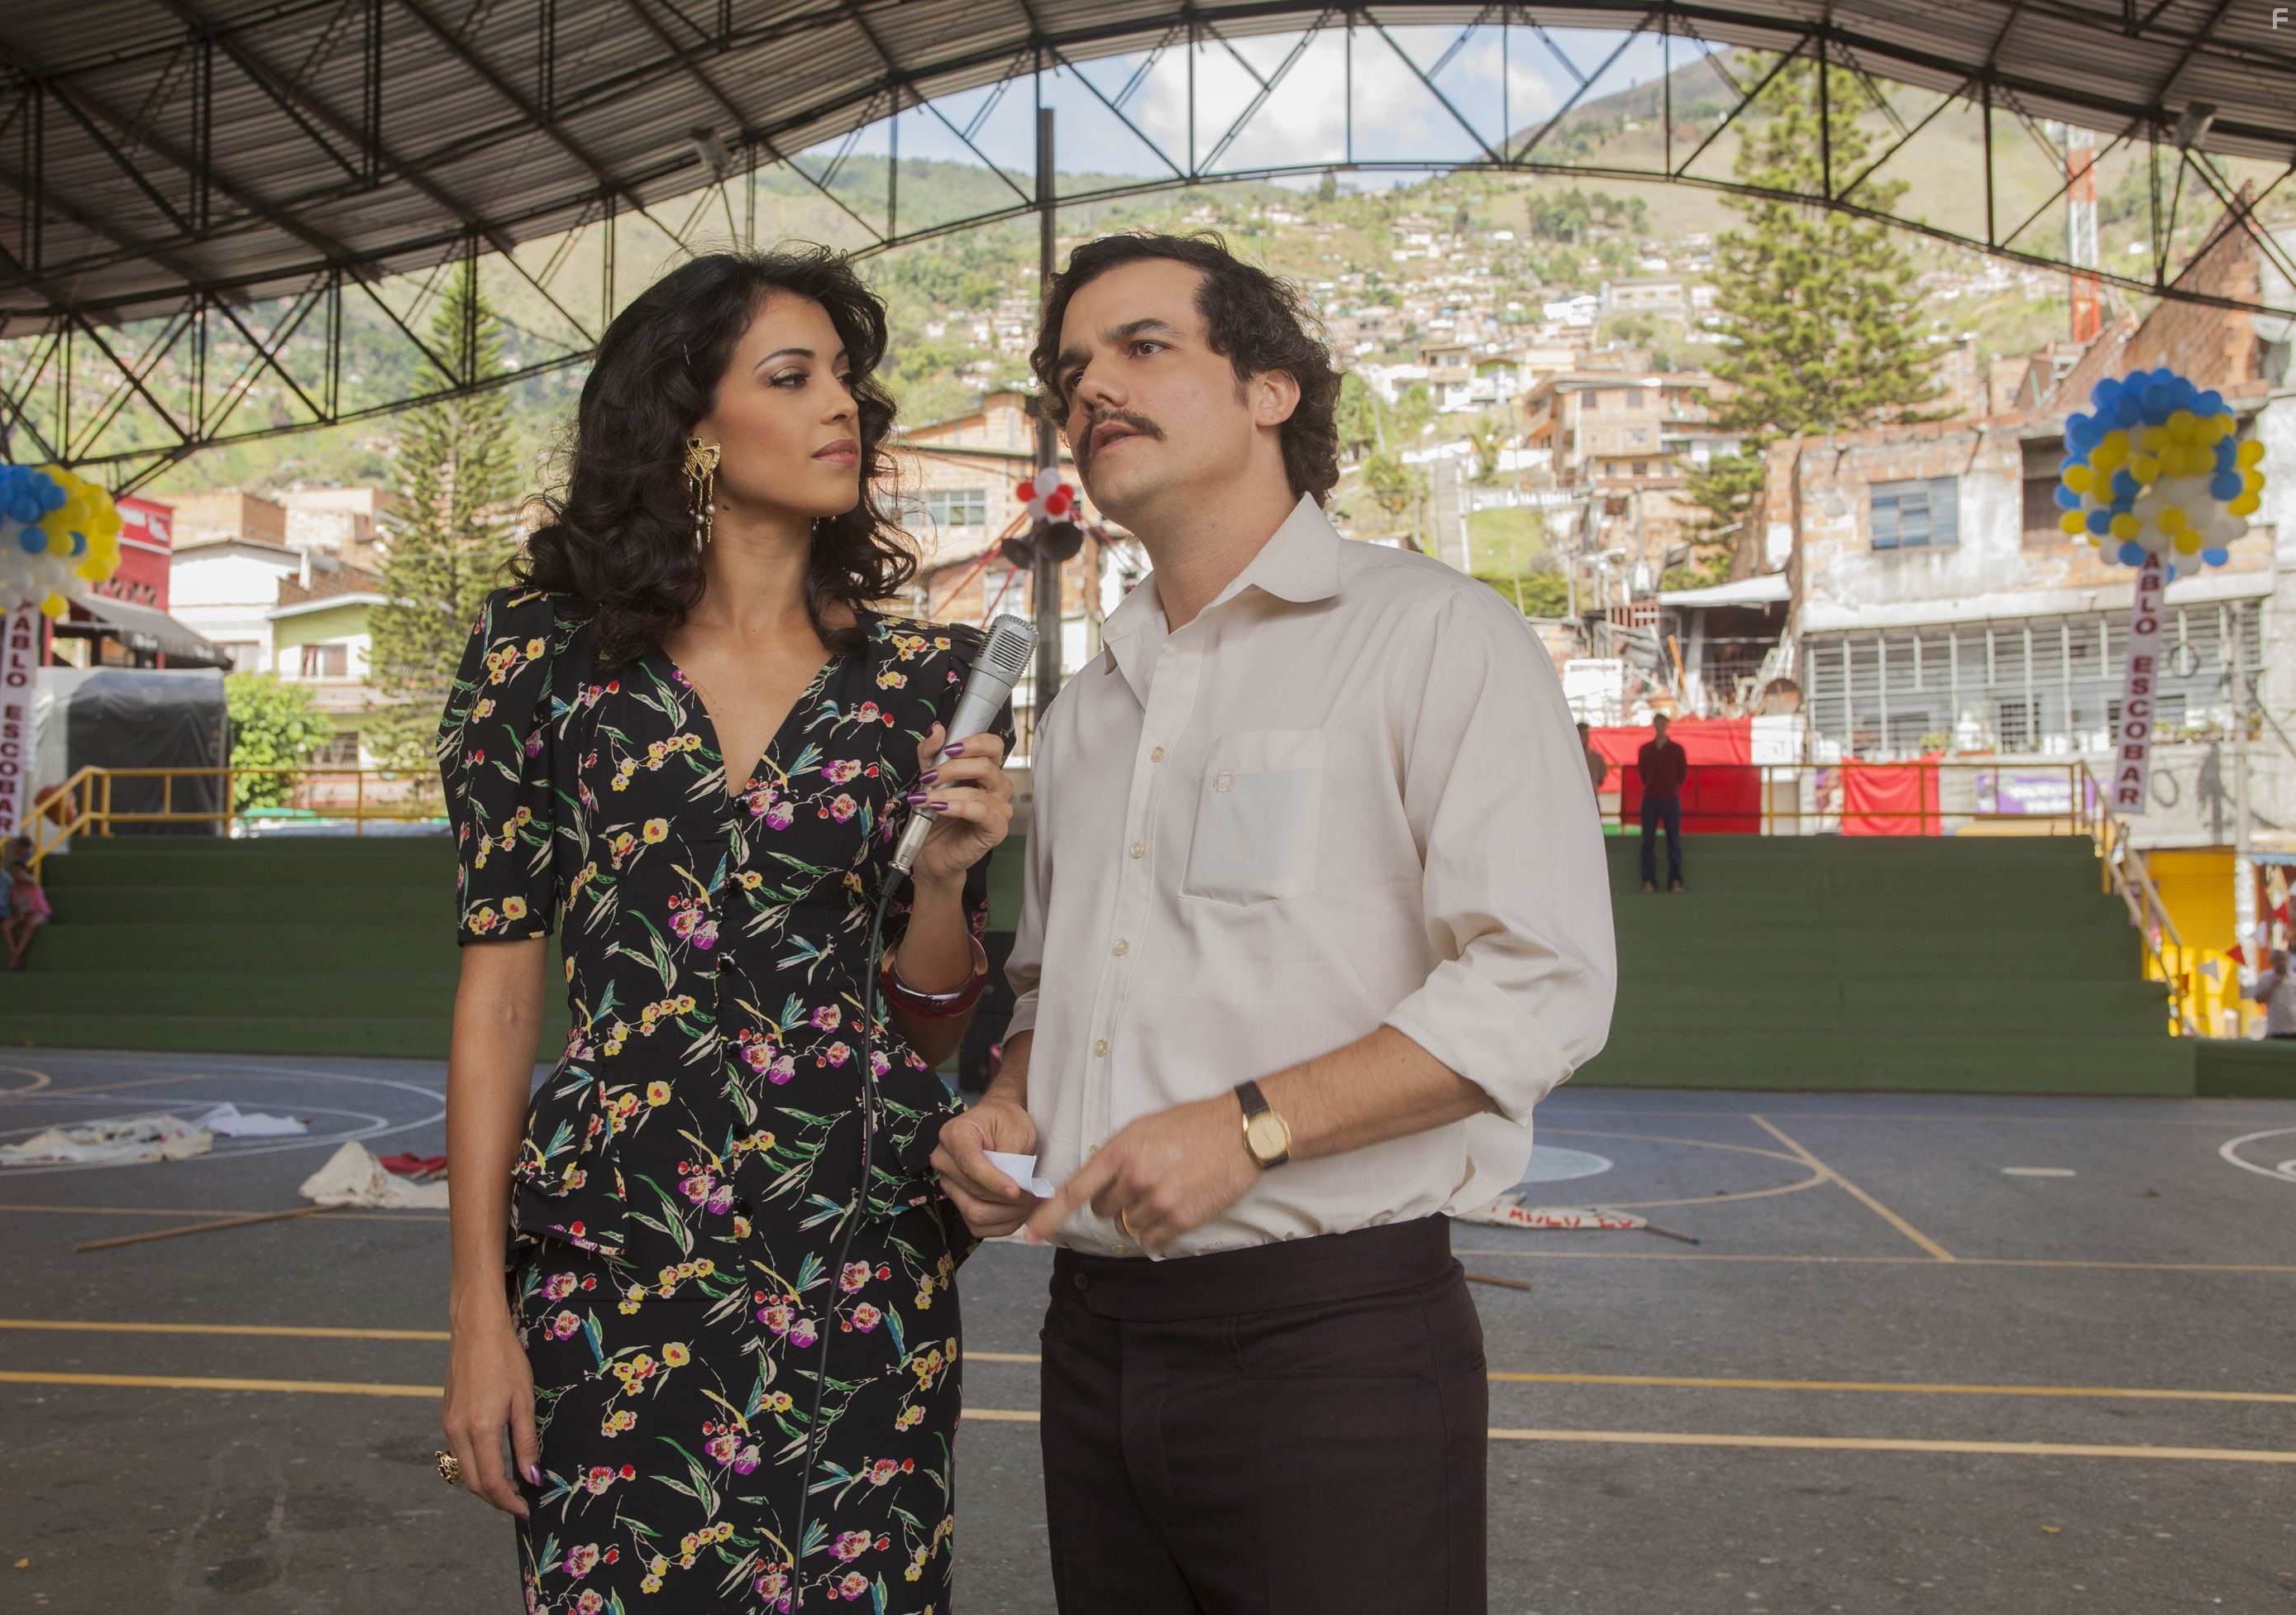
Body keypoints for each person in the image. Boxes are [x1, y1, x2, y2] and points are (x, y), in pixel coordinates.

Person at [930, 233, 1616, 1614]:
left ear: (1271, 389)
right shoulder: (1092, 707)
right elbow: (1059, 980)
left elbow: (1542, 986)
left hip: (1333, 1343)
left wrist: (1251, 1122)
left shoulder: (1438, 635)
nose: (1093, 389)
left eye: (1142, 346)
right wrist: (1009, 1096)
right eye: (1072, 369)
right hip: (1095, 1336)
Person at [435, 248, 1015, 1615]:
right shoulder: (539, 658)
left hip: (860, 1243)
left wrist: (941, 880)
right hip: (613, 1244)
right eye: (793, 376)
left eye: (851, 382)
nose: (846, 410)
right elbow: (503, 989)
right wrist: (476, 1307)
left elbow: (931, 1007)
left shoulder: (924, 677)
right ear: (690, 421)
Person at [1637, 711, 1689, 893]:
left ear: (1667, 725)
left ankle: (1675, 880)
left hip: (1670, 798)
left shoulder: (1677, 749)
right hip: (1650, 798)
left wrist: (1671, 786)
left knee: (1673, 841)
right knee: (1647, 841)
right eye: (1657, 723)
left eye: (1663, 723)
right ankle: (1648, 881)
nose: (1660, 727)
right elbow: (1643, 773)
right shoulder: (1645, 750)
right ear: (1654, 725)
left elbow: (1682, 774)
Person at [2, 858, 51, 971]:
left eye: (19, 871)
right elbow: (15, 907)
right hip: (24, 914)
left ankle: (16, 957)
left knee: (31, 923)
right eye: (13, 871)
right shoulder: (13, 890)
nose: (16, 874)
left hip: (41, 913)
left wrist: (21, 875)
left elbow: (26, 878)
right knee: (5, 925)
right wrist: (19, 914)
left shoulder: (32, 882)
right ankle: (15, 954)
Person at [2251, 948, 2296, 1039]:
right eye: (2278, 960)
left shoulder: (2294, 978)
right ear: (2272, 962)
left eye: (2283, 959)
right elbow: (2258, 1000)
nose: (2281, 963)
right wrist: (2273, 985)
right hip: (2275, 1028)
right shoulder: (2265, 978)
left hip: (2293, 1027)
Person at [1579, 719, 1610, 793]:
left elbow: (1601, 779)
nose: (1585, 738)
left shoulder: (1597, 757)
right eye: (1582, 735)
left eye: (1586, 735)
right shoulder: (1570, 759)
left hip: (1593, 794)